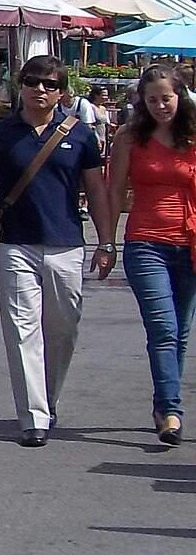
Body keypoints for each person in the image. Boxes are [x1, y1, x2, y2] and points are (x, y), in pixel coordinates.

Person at [0, 55, 115, 446]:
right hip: (14, 245)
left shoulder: (79, 136)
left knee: (63, 329)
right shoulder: (0, 134)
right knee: (21, 329)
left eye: (48, 84)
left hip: (66, 244)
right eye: (31, 81)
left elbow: (95, 190)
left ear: (62, 92)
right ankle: (33, 416)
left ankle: (48, 398)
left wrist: (106, 240)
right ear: (20, 86)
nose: (39, 89)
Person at [106, 64, 196, 446]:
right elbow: (113, 191)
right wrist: (106, 243)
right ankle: (172, 410)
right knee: (163, 329)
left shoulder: (192, 136)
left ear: (182, 96)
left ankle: (163, 405)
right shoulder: (129, 138)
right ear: (142, 102)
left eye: (167, 98)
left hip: (190, 242)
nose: (161, 105)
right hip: (146, 241)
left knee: (181, 332)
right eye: (153, 99)